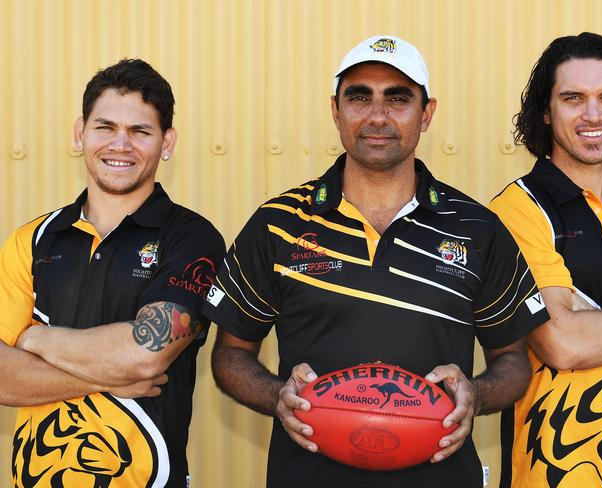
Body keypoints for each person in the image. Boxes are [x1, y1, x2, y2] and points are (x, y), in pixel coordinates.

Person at [203, 35, 548, 487]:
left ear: (427, 114)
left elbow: (513, 360)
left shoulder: (476, 228)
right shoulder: (280, 224)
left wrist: (476, 395)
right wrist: (277, 395)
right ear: (336, 110)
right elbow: (229, 355)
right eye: (359, 97)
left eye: (398, 99)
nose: (378, 116)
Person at [0, 59, 225, 487]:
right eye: (105, 127)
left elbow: (146, 355)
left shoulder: (192, 239)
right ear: (79, 133)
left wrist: (33, 338)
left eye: (140, 131)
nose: (120, 145)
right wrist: (111, 374)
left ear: (167, 142)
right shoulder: (31, 240)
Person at [489, 32, 602, 487]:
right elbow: (561, 344)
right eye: (573, 98)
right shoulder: (517, 209)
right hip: (555, 470)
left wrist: (584, 313)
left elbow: (576, 334)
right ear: (546, 110)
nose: (593, 114)